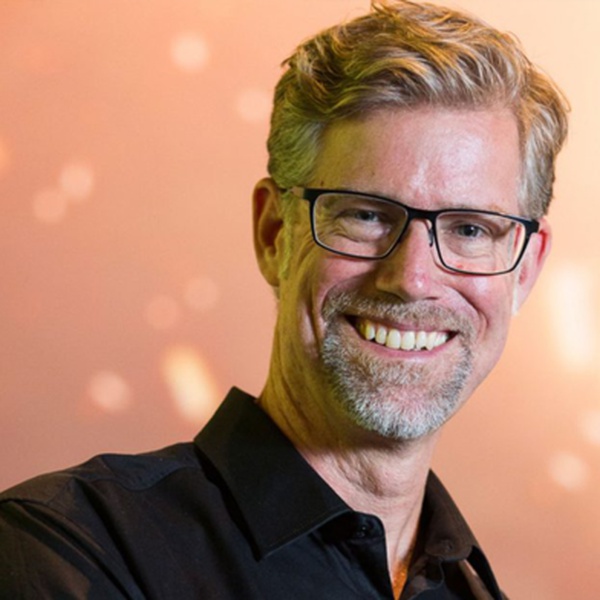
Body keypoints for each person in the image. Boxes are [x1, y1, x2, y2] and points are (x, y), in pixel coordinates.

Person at [0, 1, 568, 598]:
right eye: (366, 215)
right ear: (274, 233)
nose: (412, 278)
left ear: (526, 269)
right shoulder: (71, 546)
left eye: (470, 229)